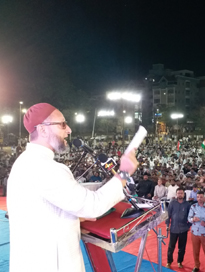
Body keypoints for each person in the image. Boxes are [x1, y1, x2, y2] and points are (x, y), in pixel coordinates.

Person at [7, 103, 138, 272]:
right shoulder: (46, 168)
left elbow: (41, 214)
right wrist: (124, 173)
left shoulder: (24, 161)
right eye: (62, 124)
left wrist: (74, 218)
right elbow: (93, 206)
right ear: (43, 129)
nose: (68, 130)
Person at [188, 191, 205, 272]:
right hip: (194, 233)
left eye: (201, 197)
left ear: (204, 198)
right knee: (195, 251)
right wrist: (193, 219)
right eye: (198, 197)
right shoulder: (193, 206)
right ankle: (196, 266)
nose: (199, 199)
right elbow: (189, 218)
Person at [166, 187, 191, 269]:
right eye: (178, 193)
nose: (180, 194)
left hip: (183, 229)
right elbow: (168, 215)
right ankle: (169, 262)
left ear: (184, 194)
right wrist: (167, 225)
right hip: (173, 228)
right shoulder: (172, 203)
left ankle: (180, 261)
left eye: (181, 193)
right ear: (176, 194)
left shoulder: (187, 204)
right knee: (171, 247)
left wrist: (188, 226)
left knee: (182, 247)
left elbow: (190, 216)